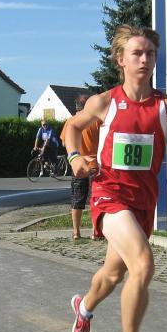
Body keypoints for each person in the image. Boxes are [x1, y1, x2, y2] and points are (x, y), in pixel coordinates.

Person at [63, 24, 167, 332]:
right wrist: (75, 157)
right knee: (143, 264)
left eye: (150, 53)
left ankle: (84, 308)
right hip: (109, 196)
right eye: (137, 53)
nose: (145, 59)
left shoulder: (166, 106)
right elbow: (71, 127)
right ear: (120, 60)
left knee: (112, 276)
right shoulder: (104, 102)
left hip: (142, 203)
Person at [60, 94, 100, 240]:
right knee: (95, 199)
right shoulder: (96, 121)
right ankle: (95, 231)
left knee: (77, 198)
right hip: (95, 165)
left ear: (76, 106)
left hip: (77, 166)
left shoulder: (70, 122)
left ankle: (76, 232)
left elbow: (64, 143)